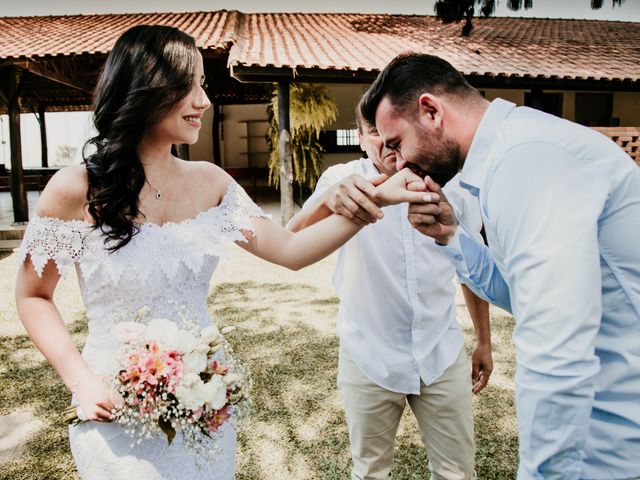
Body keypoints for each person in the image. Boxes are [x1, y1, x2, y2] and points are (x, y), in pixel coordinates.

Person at [14, 27, 429, 480]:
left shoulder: (212, 183)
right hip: (113, 407)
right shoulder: (75, 189)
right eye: (189, 84)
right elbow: (34, 295)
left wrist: (378, 201)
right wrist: (80, 380)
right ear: (147, 88)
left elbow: (290, 249)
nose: (204, 101)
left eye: (203, 86)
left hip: (203, 404)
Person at [358, 52, 640, 480]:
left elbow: (556, 353)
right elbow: (522, 296)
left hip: (613, 434)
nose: (397, 163)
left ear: (431, 111)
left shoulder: (526, 162)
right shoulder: (511, 153)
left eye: (397, 144)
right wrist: (452, 236)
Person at [287, 109, 492, 480]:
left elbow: (470, 264)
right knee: (370, 473)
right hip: (368, 355)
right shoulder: (341, 180)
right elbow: (291, 239)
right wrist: (328, 198)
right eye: (372, 132)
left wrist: (484, 341)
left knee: (457, 473)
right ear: (361, 138)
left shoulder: (453, 186)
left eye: (391, 132)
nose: (384, 140)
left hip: (439, 353)